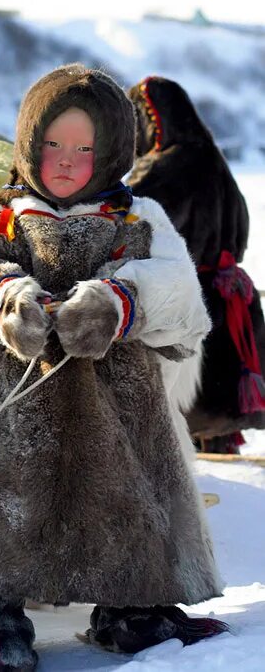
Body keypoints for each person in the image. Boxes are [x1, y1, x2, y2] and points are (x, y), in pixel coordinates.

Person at [0, 65, 226, 670]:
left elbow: (183, 299)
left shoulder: (140, 219)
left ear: (113, 151)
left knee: (125, 496)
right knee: (3, 503)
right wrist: (6, 300)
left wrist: (118, 302)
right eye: (53, 144)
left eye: (85, 149)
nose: (65, 161)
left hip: (119, 398)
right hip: (15, 397)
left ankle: (133, 607)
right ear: (30, 142)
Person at [127, 75, 261, 454]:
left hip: (186, 303)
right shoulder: (218, 163)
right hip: (228, 299)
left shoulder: (166, 166)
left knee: (174, 414)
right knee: (211, 417)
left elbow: (127, 225)